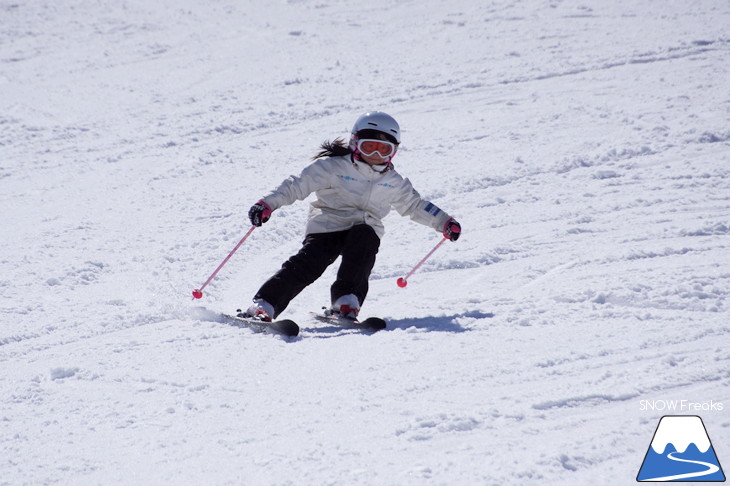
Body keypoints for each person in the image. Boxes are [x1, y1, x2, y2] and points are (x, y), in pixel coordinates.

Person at [242, 111, 461, 322]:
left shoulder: (394, 182)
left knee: (364, 244)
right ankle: (265, 304)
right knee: (310, 262)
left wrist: (444, 222)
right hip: (328, 225)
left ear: (393, 152)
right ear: (355, 143)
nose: (375, 155)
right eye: (369, 147)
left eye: (383, 150)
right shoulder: (332, 167)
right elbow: (296, 185)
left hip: (365, 227)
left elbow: (416, 205)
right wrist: (267, 204)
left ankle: (346, 300)